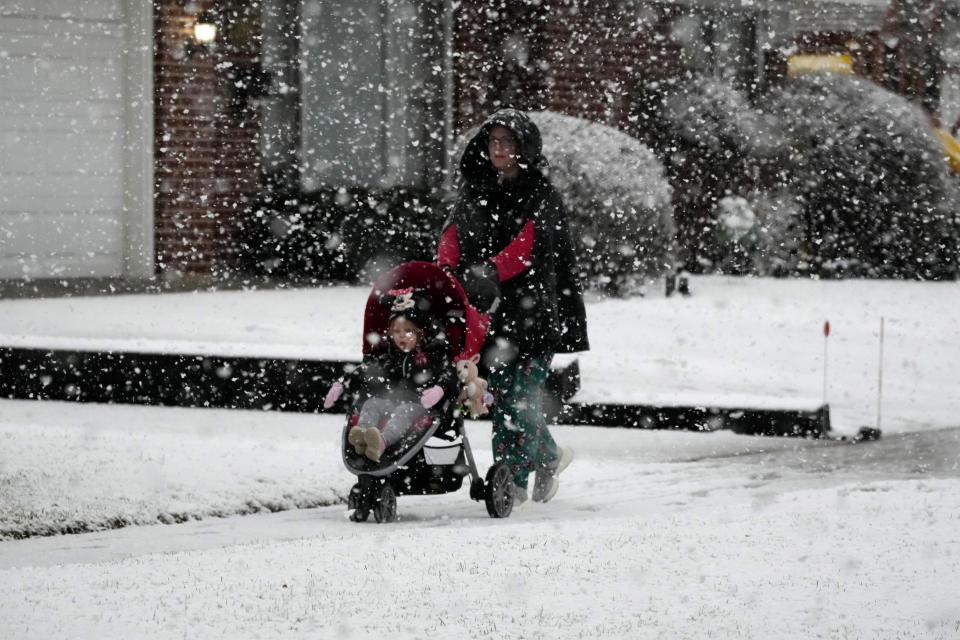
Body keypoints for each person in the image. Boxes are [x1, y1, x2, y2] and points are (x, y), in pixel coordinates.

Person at [437, 108, 589, 505]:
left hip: (531, 315)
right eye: (493, 141)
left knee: (518, 398)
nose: (499, 149)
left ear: (523, 147)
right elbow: (453, 232)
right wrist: (446, 268)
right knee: (501, 398)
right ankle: (537, 463)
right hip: (491, 315)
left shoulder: (540, 194)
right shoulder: (475, 189)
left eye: (507, 142)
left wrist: (488, 269)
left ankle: (519, 478)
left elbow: (526, 249)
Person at [324, 287, 456, 463]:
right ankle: (363, 435)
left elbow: (451, 374)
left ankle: (382, 441)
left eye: (408, 331)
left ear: (420, 333)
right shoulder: (391, 357)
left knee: (403, 412)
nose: (401, 336)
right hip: (393, 400)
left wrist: (439, 390)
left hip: (420, 405)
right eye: (397, 332)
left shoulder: (433, 356)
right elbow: (368, 369)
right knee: (371, 404)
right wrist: (343, 383)